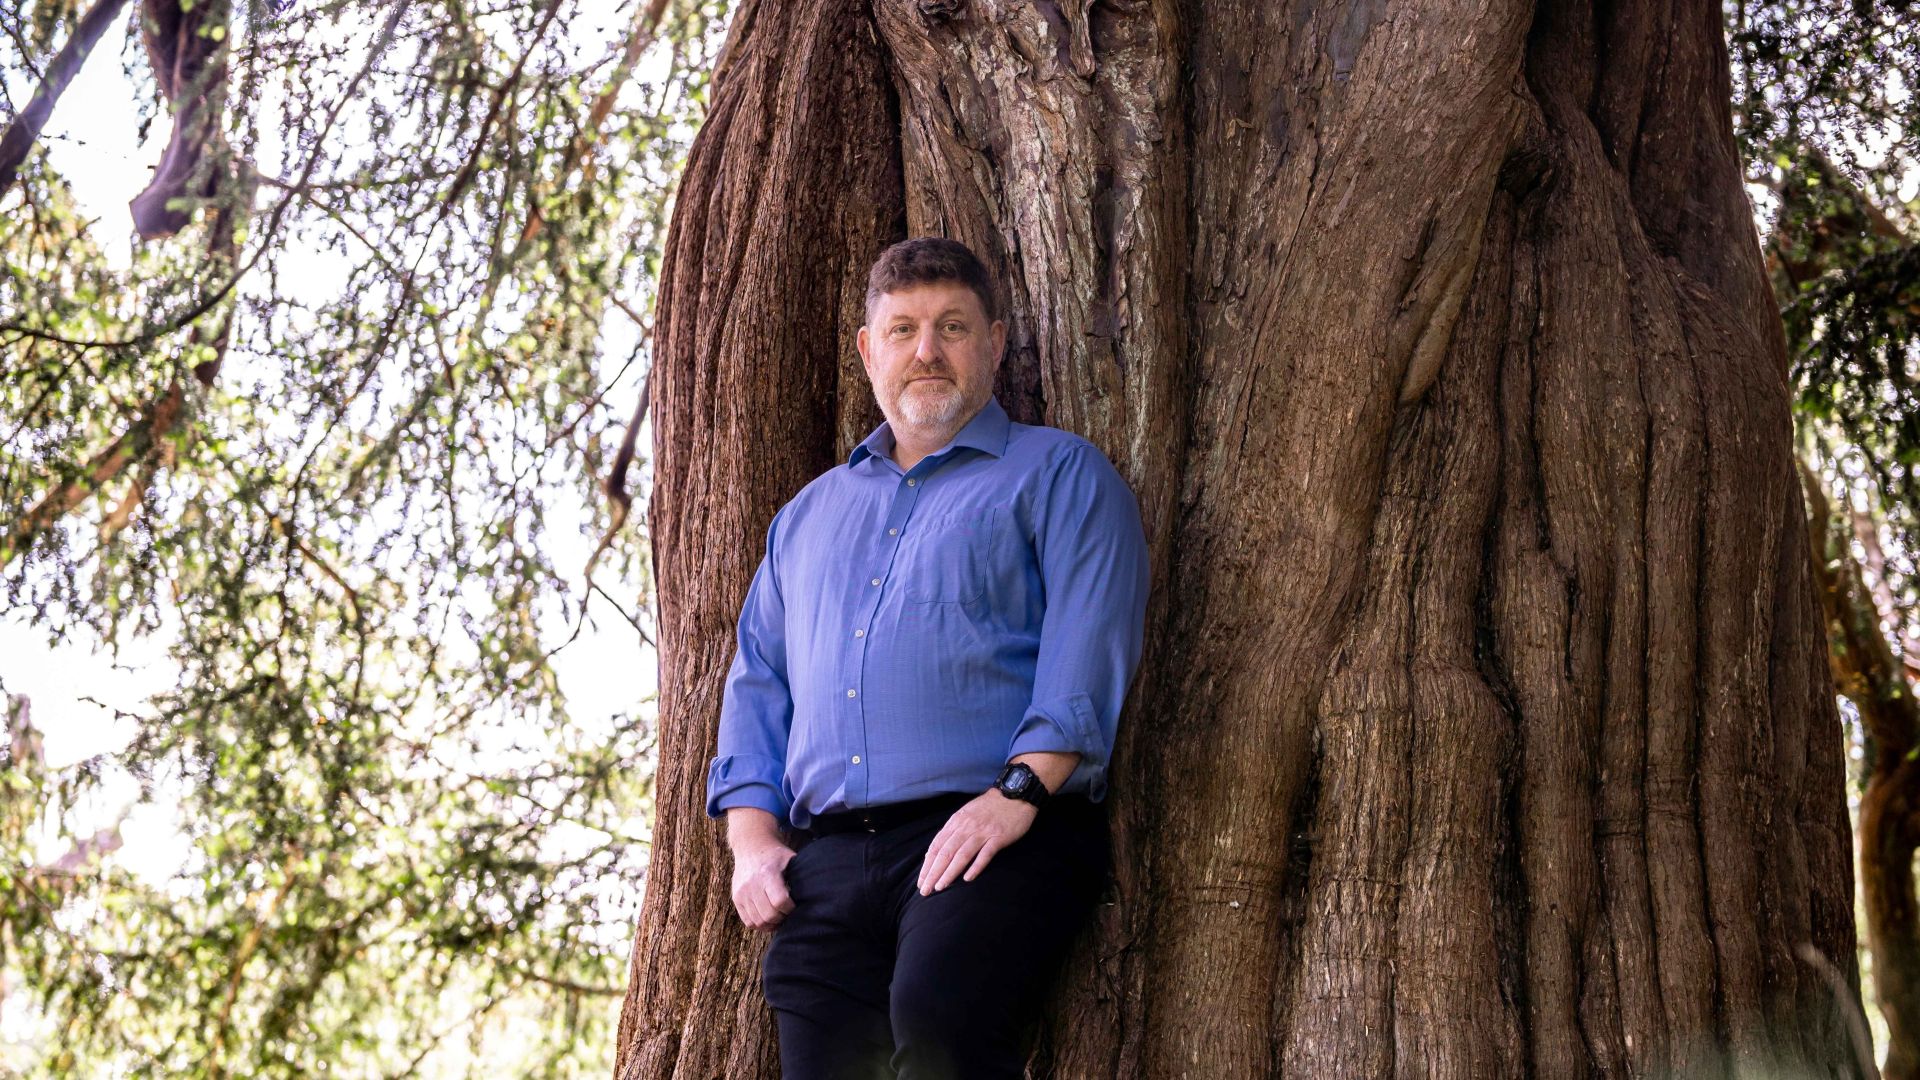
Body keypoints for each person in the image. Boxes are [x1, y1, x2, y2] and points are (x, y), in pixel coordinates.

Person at [704, 236, 1151, 1079]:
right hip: (826, 862)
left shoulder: (1056, 474)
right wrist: (754, 846)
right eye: (904, 329)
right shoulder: (806, 517)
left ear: (994, 341)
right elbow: (758, 683)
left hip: (994, 831)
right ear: (870, 351)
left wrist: (1016, 793)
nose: (927, 351)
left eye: (952, 326)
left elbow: (1089, 646)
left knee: (939, 1030)